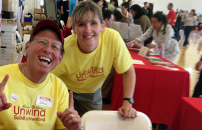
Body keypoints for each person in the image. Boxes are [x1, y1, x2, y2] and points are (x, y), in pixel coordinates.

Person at [52, 1, 137, 118]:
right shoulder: (64, 50)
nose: (88, 30)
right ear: (74, 29)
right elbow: (46, 78)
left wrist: (127, 102)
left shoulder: (113, 39)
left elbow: (128, 70)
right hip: (64, 90)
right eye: (81, 24)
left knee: (93, 123)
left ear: (102, 26)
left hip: (92, 92)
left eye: (93, 23)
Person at [0, 19, 81, 130]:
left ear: (60, 59)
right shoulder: (2, 77)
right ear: (27, 47)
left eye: (54, 47)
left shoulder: (59, 88)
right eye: (42, 42)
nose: (48, 50)